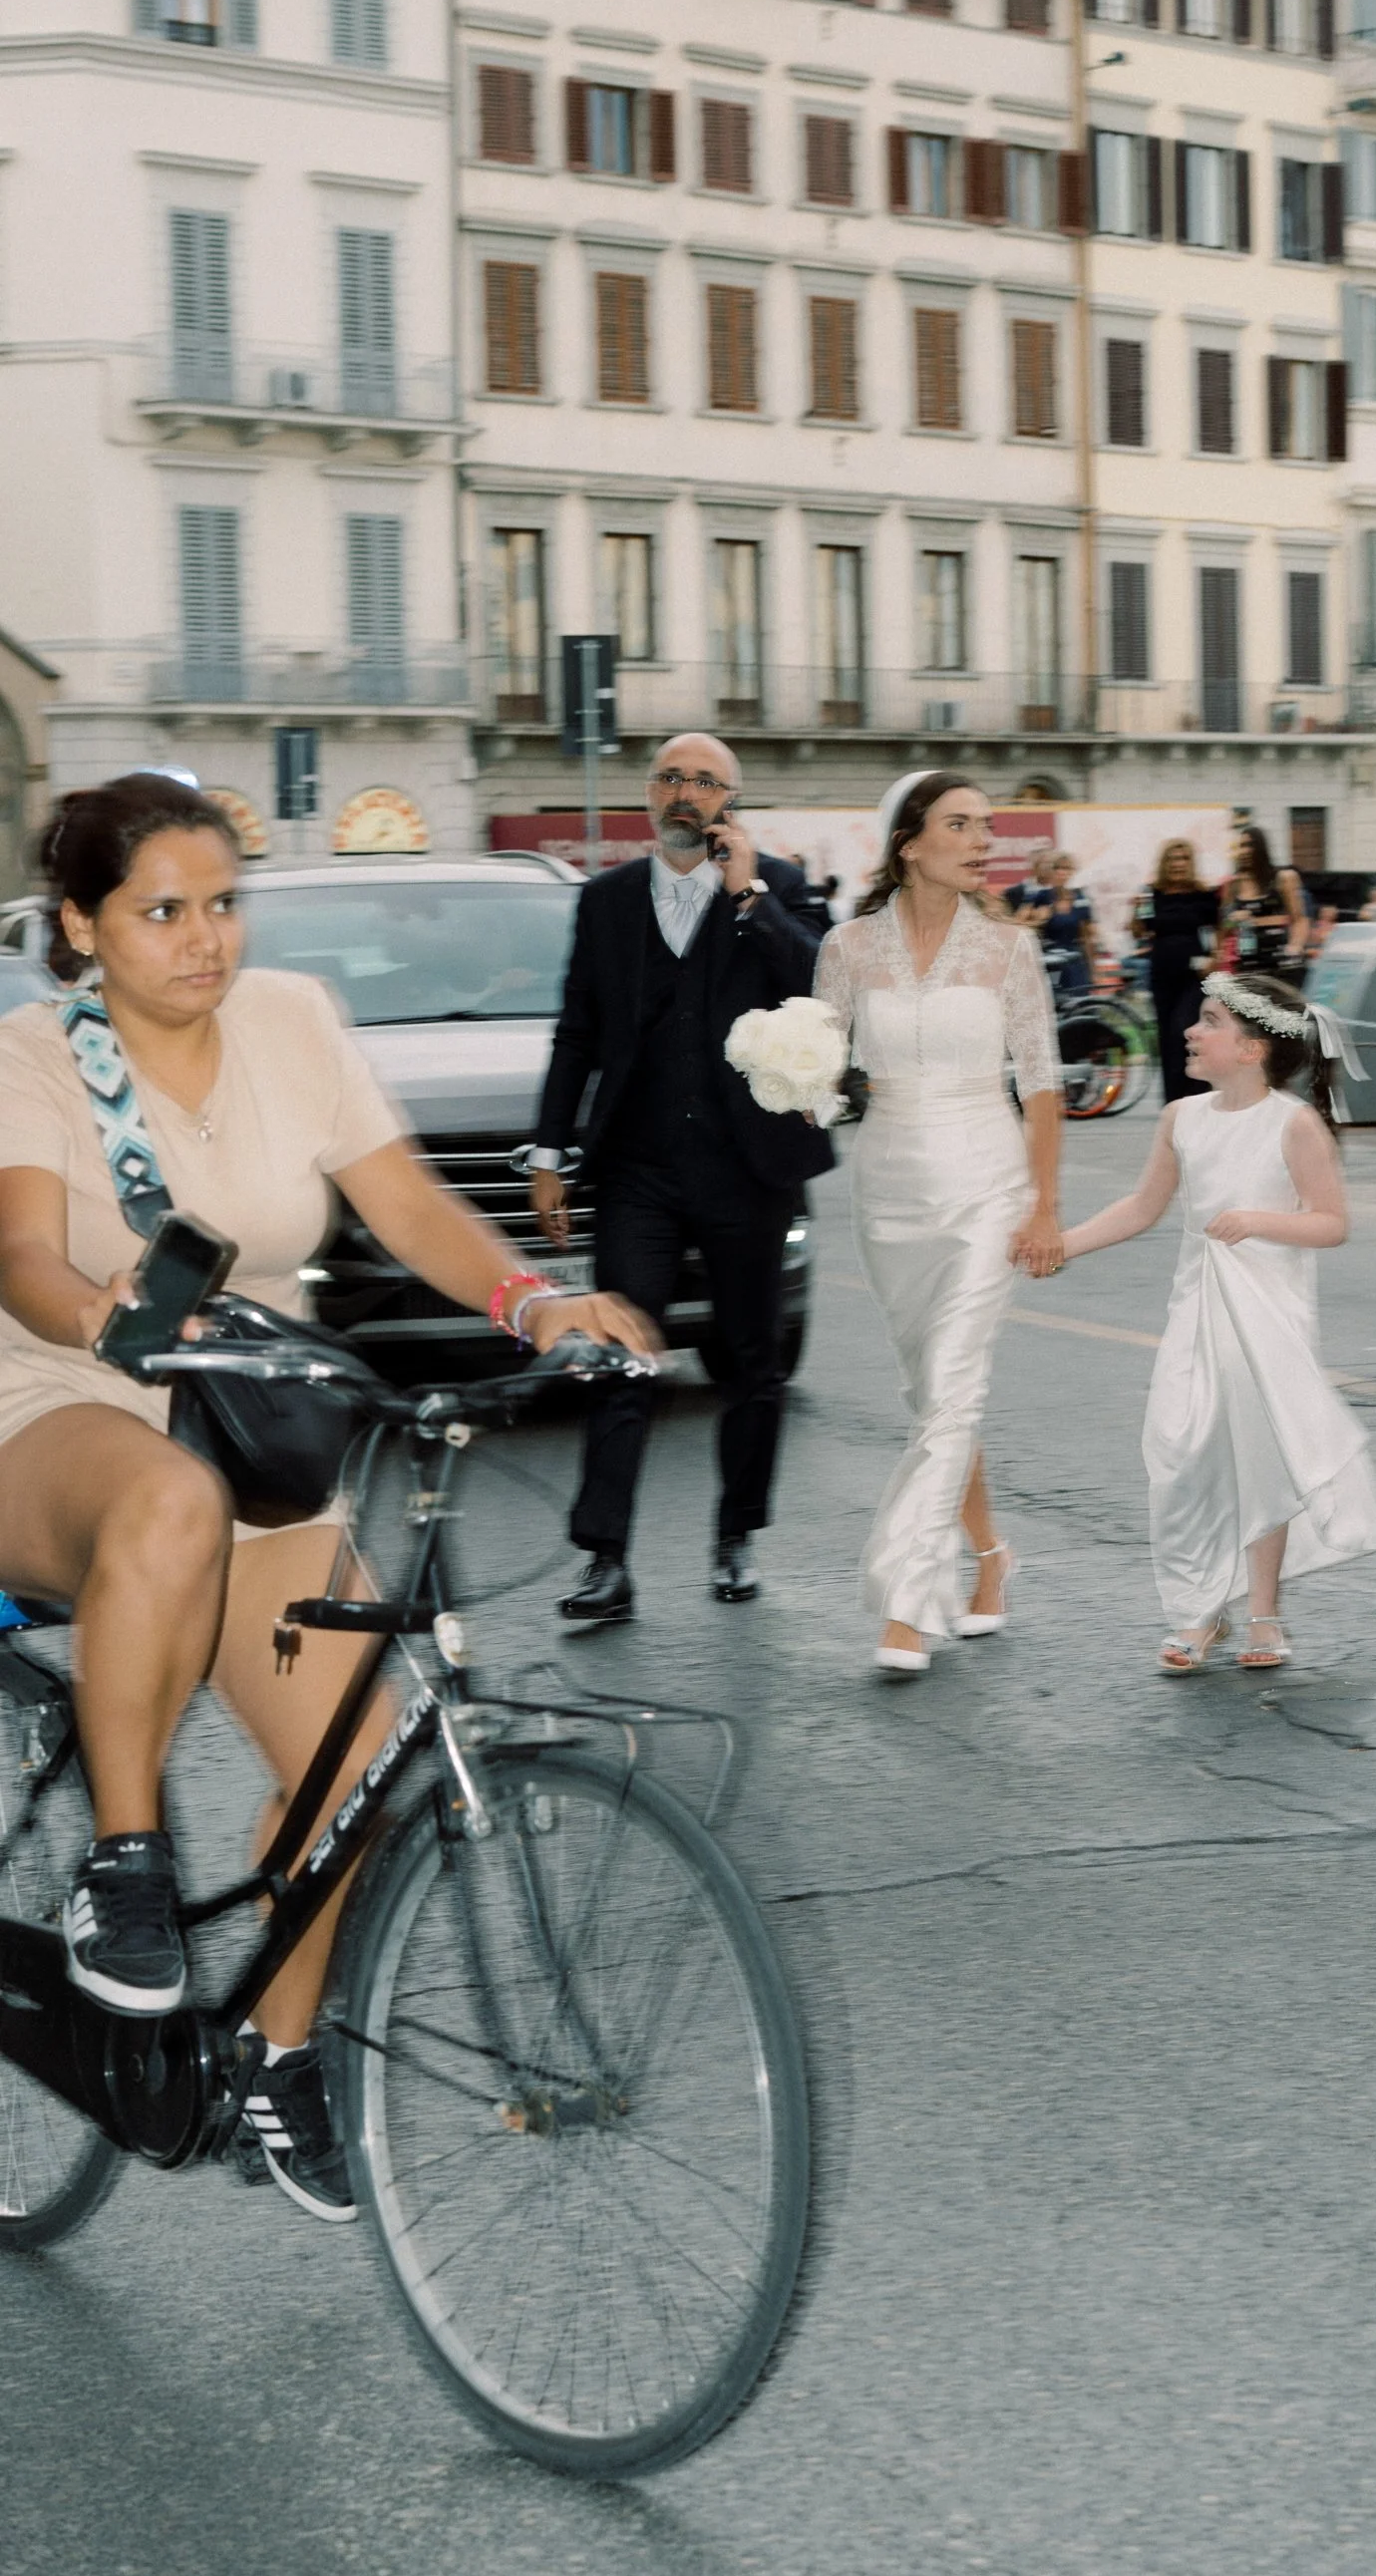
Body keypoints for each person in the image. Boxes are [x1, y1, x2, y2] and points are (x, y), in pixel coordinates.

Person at [0, 775, 650, 2217]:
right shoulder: (37, 1055)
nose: (203, 938)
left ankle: (275, 2057)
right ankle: (124, 1866)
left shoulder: (293, 1021)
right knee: (163, 1500)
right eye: (161, 910)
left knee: (351, 1765)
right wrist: (102, 1310)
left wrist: (535, 1300)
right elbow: (24, 1258)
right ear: (82, 926)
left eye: (222, 903)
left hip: (252, 1429)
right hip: (66, 1413)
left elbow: (405, 1202)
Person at [529, 732, 831, 1624]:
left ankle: (735, 1533)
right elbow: (576, 1029)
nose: (684, 792)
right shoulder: (607, 899)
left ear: (731, 801)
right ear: (647, 792)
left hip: (750, 1167)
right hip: (639, 1168)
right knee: (622, 1353)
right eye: (670, 776)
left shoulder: (775, 882)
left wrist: (750, 897)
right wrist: (550, 1151)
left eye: (705, 781)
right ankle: (604, 1559)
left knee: (750, 1358)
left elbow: (820, 981)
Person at [1057, 970, 1376, 1674]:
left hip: (1267, 1312)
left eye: (1208, 1020)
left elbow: (1330, 1222)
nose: (1189, 1029)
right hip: (1198, 1305)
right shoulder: (1182, 1117)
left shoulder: (1292, 1124)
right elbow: (1142, 1207)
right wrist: (1064, 1243)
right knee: (1186, 1449)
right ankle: (1201, 1606)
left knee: (1259, 1453)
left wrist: (1259, 1220)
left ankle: (1261, 1610)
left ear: (1251, 1049)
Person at [815, 772, 1065, 1679]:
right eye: (958, 824)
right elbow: (822, 1076)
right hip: (887, 1189)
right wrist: (806, 1088)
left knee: (953, 1393)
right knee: (934, 1400)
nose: (980, 839)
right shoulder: (845, 948)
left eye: (986, 826)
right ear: (909, 841)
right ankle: (993, 1553)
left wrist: (1042, 1205)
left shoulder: (1008, 950)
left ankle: (910, 1603)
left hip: (986, 1183)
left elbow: (1040, 1085)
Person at [1131, 836, 1219, 1105]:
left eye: (1183, 859)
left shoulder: (1203, 895)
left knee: (1186, 1031)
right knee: (1167, 1037)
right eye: (1172, 859)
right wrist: (1135, 911)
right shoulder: (1152, 893)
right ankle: (1174, 1102)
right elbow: (1139, 931)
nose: (1178, 864)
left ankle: (1198, 1095)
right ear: (1164, 863)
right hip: (1161, 974)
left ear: (1190, 863)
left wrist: (1214, 958)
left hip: (1194, 976)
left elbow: (1220, 930)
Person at [1219, 823, 1309, 983]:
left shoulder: (1283, 878)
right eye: (1241, 846)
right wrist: (1232, 921)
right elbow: (1223, 928)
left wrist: (1295, 946)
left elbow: (1300, 919)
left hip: (1279, 962)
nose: (1245, 851)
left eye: (1250, 845)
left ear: (1261, 847)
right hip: (1247, 964)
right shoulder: (1233, 884)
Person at [1020, 851, 1099, 1003]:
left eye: (1067, 869)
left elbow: (1088, 939)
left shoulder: (1080, 898)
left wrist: (1093, 970)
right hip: (1050, 959)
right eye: (1058, 868)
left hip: (1074, 960)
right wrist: (1037, 920)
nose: (1062, 873)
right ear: (1051, 871)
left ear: (1072, 872)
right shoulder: (1041, 896)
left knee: (1080, 1004)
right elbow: (1017, 925)